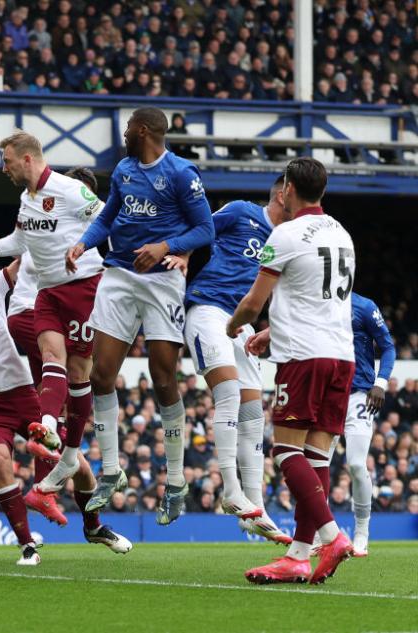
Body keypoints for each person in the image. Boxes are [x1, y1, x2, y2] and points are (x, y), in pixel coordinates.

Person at [0, 247, 131, 565]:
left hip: (22, 395)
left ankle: (94, 527)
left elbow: (30, 256)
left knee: (82, 470)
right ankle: (27, 544)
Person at [0, 133, 106, 523]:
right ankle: (50, 430)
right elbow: (19, 241)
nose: (4, 168)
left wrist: (86, 248)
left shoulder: (70, 190)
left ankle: (65, 454)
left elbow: (107, 217)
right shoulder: (27, 199)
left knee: (79, 377)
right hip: (46, 296)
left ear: (27, 159)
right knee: (54, 360)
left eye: (7, 161)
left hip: (82, 288)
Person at [66, 107, 214, 525]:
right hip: (119, 274)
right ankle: (111, 471)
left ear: (143, 130)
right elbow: (108, 217)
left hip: (162, 279)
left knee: (163, 377)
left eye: (129, 128)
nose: (124, 134)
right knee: (101, 375)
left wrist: (165, 247)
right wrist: (83, 243)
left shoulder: (183, 173)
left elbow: (206, 230)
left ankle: (175, 480)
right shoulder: (123, 170)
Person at [228, 157, 356, 584]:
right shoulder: (342, 232)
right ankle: (299, 556)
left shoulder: (284, 234)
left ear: (286, 191)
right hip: (341, 355)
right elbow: (315, 297)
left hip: (304, 357)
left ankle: (332, 536)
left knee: (285, 452)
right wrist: (271, 331)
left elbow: (251, 302)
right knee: (315, 458)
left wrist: (232, 327)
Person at [167, 176, 291, 543]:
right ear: (284, 195)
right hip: (208, 309)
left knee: (255, 414)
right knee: (230, 396)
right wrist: (185, 254)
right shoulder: (241, 211)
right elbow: (201, 227)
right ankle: (231, 490)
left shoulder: (287, 241)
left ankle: (255, 506)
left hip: (244, 324)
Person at [336, 292, 395, 556]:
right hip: (327, 396)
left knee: (357, 464)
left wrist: (380, 383)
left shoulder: (363, 305)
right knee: (318, 464)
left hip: (360, 394)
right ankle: (315, 531)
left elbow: (388, 346)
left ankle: (361, 533)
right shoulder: (315, 299)